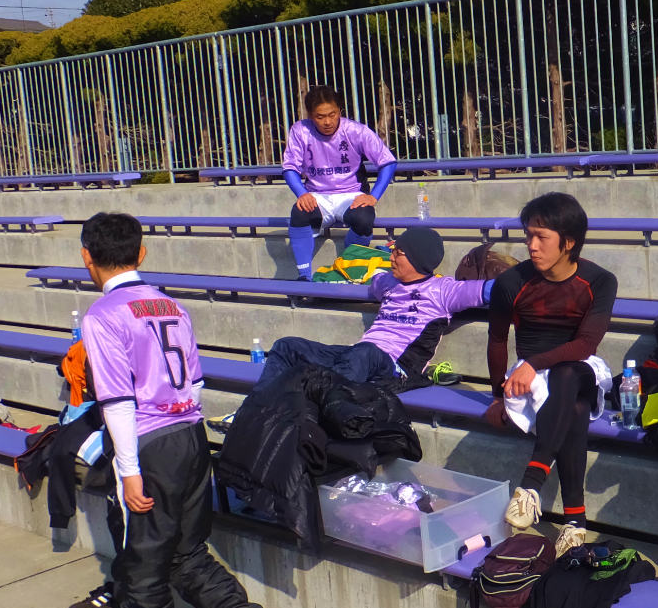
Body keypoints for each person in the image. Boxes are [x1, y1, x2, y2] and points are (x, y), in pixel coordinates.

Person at [78, 212, 273, 608]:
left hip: (147, 445)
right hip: (189, 434)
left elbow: (117, 400)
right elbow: (196, 381)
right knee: (185, 549)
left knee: (142, 561)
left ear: (86, 257)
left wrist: (128, 470)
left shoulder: (102, 315)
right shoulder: (172, 306)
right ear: (141, 253)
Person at [210, 227, 490, 430]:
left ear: (418, 260)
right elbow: (371, 278)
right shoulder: (387, 282)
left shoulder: (444, 291)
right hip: (359, 356)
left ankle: (301, 418)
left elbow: (492, 290)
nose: (391, 257)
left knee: (365, 353)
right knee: (287, 346)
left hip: (396, 369)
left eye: (399, 253)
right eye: (393, 250)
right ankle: (251, 414)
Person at [486, 193, 618, 557]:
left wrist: (534, 363)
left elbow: (586, 345)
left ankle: (532, 482)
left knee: (567, 374)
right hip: (531, 380)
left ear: (569, 242)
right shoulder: (510, 283)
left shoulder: (600, 281)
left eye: (541, 237)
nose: (531, 245)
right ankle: (576, 521)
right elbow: (496, 339)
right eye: (528, 235)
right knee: (574, 409)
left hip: (581, 368)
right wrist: (497, 396)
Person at [283, 86, 398, 280]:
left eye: (332, 114)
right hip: (318, 194)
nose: (327, 122)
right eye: (320, 117)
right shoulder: (300, 130)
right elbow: (289, 167)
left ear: (340, 111)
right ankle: (304, 276)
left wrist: (373, 196)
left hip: (351, 193)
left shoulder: (356, 130)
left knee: (364, 218)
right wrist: (302, 193)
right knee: (299, 212)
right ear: (310, 116)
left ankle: (349, 265)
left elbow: (388, 162)